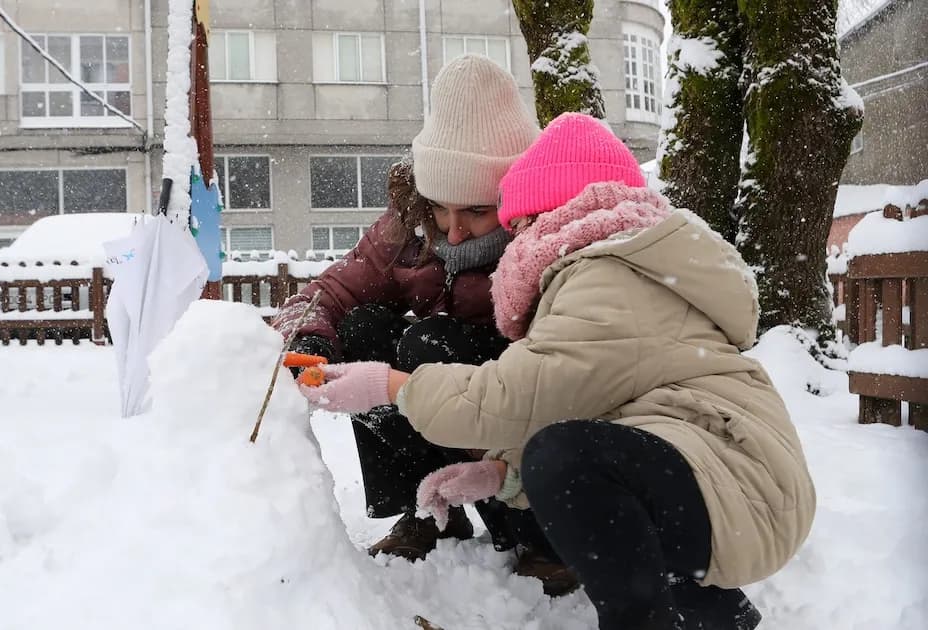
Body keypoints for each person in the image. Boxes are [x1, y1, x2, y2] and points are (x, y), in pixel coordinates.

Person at [298, 113, 815, 629]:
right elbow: (594, 405)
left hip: (738, 491)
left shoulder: (607, 278)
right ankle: (714, 614)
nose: (516, 238)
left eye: (519, 222)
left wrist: (391, 386)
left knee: (565, 458)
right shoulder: (619, 264)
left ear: (555, 214)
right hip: (726, 477)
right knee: (563, 455)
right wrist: (502, 474)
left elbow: (517, 395)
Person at [272, 54, 554, 571]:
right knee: (364, 328)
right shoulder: (407, 227)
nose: (452, 230)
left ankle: (537, 534)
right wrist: (305, 344)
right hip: (431, 393)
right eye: (440, 206)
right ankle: (421, 510)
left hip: (514, 399)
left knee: (427, 344)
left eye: (475, 209)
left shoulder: (547, 238)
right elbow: (328, 294)